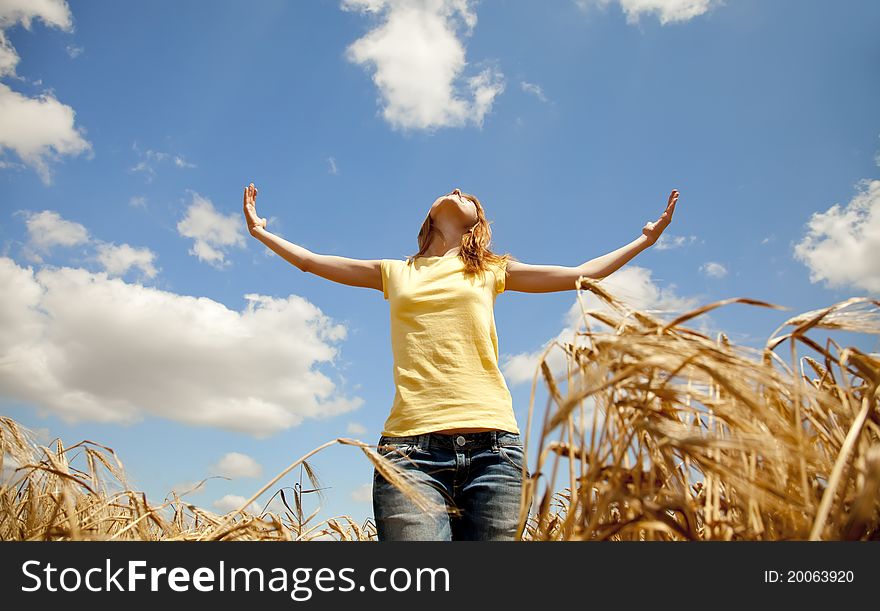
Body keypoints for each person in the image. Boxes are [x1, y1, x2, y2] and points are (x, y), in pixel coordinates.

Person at [242, 183, 678, 540]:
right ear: (429, 217)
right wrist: (262, 232)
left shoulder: (490, 270)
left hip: (495, 450)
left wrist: (645, 239)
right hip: (410, 452)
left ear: (478, 224)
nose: (457, 189)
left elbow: (584, 274)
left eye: (469, 195)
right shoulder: (395, 272)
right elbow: (310, 262)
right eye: (449, 191)